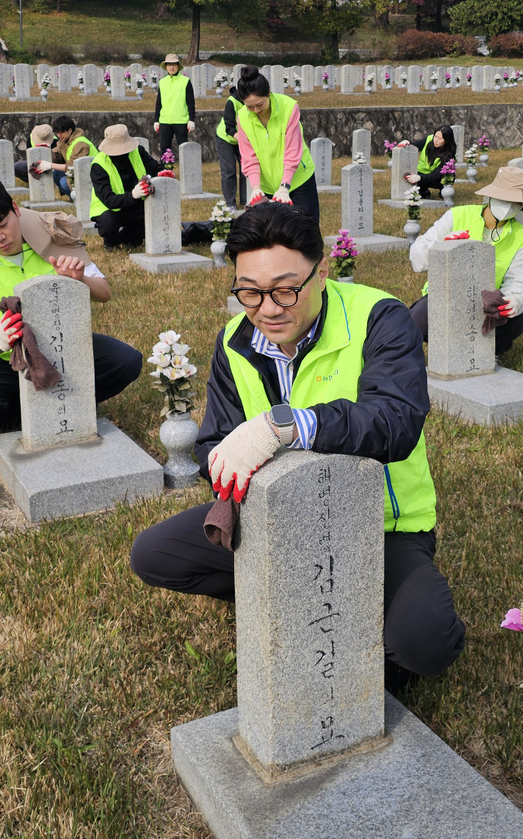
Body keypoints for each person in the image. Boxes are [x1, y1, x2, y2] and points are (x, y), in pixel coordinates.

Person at [129, 202, 466, 694]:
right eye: (249, 292)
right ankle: (297, 597)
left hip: (381, 526)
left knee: (424, 641)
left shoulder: (379, 318)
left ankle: (350, 619)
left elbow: (395, 421)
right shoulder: (235, 341)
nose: (268, 309)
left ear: (322, 272)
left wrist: (285, 426)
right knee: (154, 555)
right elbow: (214, 441)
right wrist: (224, 465)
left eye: (286, 290)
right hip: (278, 515)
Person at [0, 176, 142, 431]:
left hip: (66, 346)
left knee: (126, 361)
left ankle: (72, 400)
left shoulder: (53, 236)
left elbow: (104, 293)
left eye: (3, 224)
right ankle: (25, 414)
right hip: (9, 361)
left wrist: (80, 278)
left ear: (15, 209)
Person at [407, 166, 523, 358]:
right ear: (492, 195)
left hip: (487, 304)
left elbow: (519, 282)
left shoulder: (521, 237)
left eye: (515, 202)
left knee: (519, 319)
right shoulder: (458, 215)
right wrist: (441, 248)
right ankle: (446, 349)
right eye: (504, 198)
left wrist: (514, 300)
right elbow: (417, 256)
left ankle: (486, 354)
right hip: (444, 296)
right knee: (416, 322)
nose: (509, 205)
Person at [233, 65, 320, 223]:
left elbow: (292, 150)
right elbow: (249, 156)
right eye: (249, 106)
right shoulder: (242, 117)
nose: (256, 110)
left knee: (306, 229)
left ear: (269, 93)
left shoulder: (288, 107)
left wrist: (285, 186)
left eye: (260, 104)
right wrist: (256, 188)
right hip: (266, 185)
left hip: (298, 180)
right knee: (274, 232)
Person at [89, 124, 154, 250]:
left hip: (136, 205)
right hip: (110, 209)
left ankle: (127, 237)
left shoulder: (138, 152)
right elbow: (108, 200)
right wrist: (133, 195)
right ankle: (110, 240)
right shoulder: (99, 165)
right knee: (108, 224)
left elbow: (154, 167)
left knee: (151, 220)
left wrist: (164, 172)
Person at [153, 53, 196, 158]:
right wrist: (156, 120)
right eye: (169, 64)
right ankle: (166, 168)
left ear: (178, 66)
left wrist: (191, 119)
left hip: (181, 121)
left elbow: (190, 102)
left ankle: (187, 168)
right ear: (166, 66)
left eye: (174, 64)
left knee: (184, 149)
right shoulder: (162, 82)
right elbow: (159, 102)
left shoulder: (185, 81)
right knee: (164, 150)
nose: (171, 67)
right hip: (165, 121)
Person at [12, 124, 70, 198]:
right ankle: (34, 183)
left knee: (57, 174)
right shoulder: (30, 138)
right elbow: (29, 157)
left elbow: (60, 160)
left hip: (53, 167)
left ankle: (55, 185)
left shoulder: (57, 140)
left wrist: (50, 164)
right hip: (36, 165)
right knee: (17, 167)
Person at [404, 126, 458, 200]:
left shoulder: (449, 153)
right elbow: (415, 146)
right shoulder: (429, 139)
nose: (436, 140)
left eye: (440, 139)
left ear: (446, 141)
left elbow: (437, 174)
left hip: (435, 178)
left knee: (446, 175)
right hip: (421, 173)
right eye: (435, 136)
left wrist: (420, 178)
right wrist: (408, 143)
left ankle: (443, 192)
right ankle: (424, 191)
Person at [215, 92, 248, 210]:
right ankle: (230, 204)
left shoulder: (256, 100)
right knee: (229, 170)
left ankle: (246, 201)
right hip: (226, 138)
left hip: (244, 138)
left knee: (247, 169)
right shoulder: (232, 102)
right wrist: (243, 140)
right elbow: (229, 128)